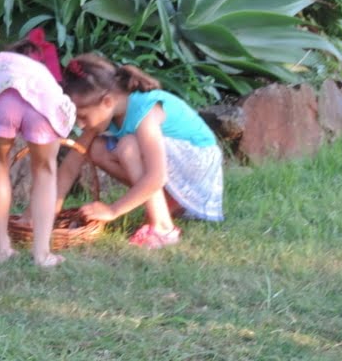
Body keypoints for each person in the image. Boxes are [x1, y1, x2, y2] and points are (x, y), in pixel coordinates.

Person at [57, 53, 224, 249]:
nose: (80, 124)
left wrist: (112, 211)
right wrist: (50, 212)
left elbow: (156, 176)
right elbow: (71, 165)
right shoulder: (106, 111)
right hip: (173, 166)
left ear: (108, 102)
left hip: (199, 162)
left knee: (128, 145)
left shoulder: (145, 113)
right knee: (95, 149)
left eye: (83, 117)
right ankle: (165, 201)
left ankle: (163, 228)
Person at [0, 37, 76, 267]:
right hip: (42, 106)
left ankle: (1, 247)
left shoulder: (0, 60)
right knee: (46, 172)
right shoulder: (44, 73)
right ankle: (42, 255)